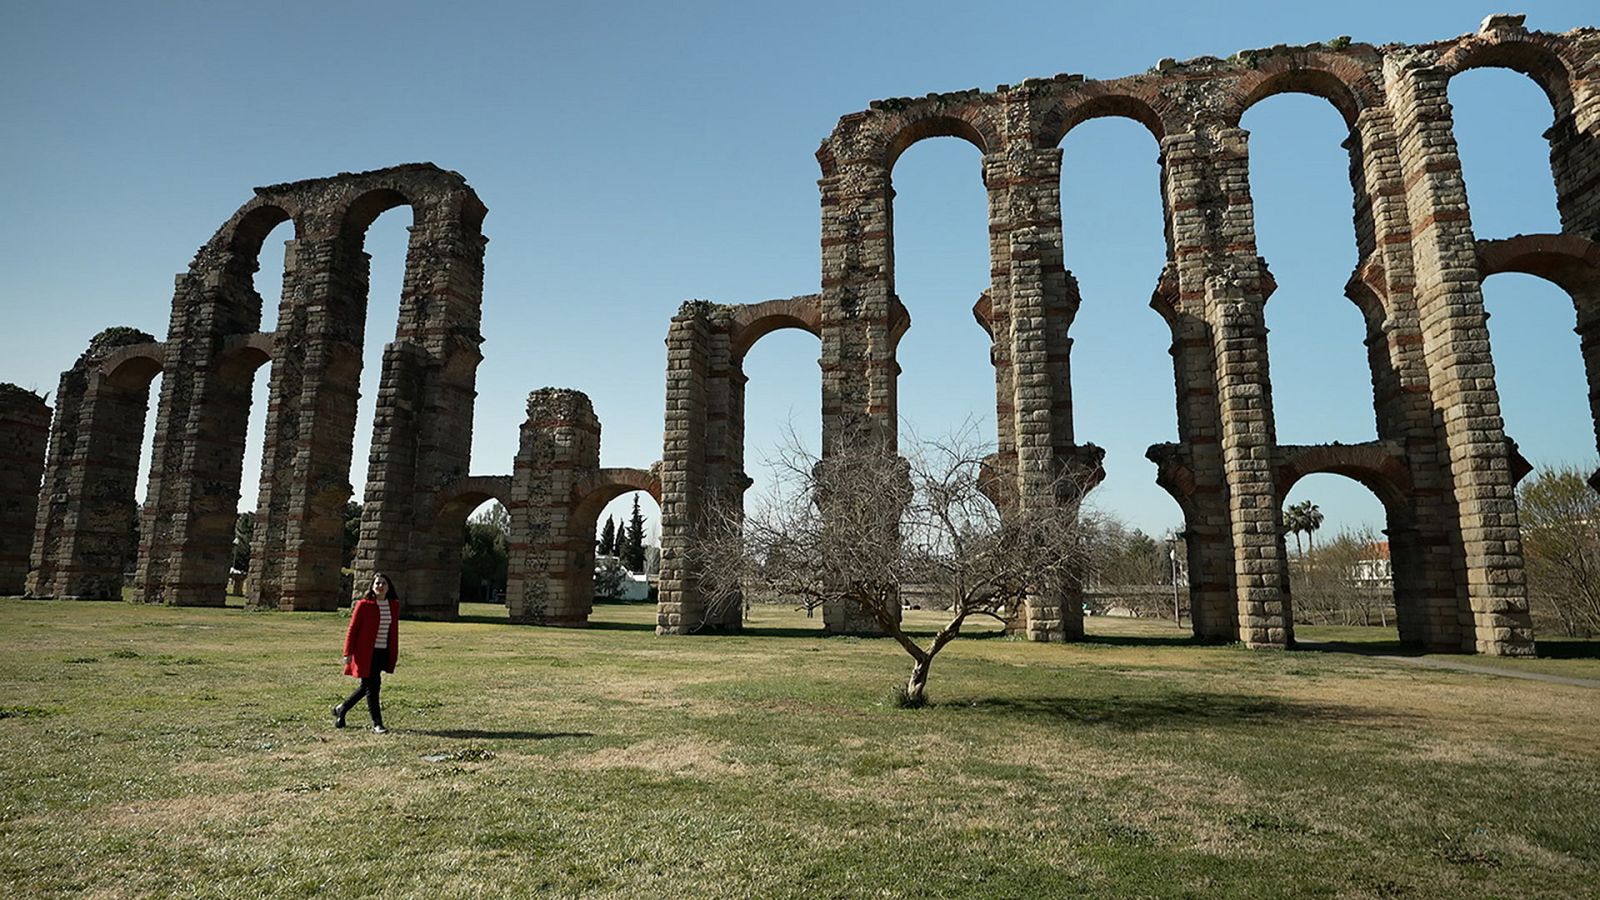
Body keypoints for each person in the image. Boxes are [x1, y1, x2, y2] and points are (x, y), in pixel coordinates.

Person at [332, 573, 400, 734]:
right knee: (373, 687)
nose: (380, 586)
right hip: (365, 653)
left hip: (383, 651)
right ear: (372, 586)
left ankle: (342, 707)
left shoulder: (393, 605)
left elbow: (393, 630)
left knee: (367, 686)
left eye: (383, 583)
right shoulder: (363, 605)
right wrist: (347, 652)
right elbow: (352, 630)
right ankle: (377, 724)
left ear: (388, 587)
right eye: (377, 583)